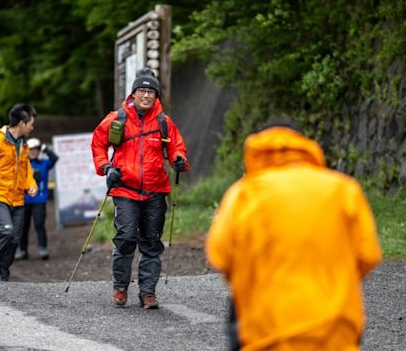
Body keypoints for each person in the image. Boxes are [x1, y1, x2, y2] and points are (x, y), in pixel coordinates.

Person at [205, 119, 383, 350]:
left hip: (267, 335)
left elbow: (220, 255)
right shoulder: (343, 189)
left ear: (256, 149)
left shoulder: (245, 192)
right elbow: (369, 255)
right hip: (336, 332)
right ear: (305, 146)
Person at [91, 68, 190, 309]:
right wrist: (106, 168)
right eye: (142, 91)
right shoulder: (118, 118)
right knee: (125, 237)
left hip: (156, 191)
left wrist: (179, 161)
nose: (146, 95)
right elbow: (98, 143)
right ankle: (120, 287)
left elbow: (177, 148)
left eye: (150, 92)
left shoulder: (163, 122)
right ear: (134, 93)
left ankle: (148, 293)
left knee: (151, 241)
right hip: (125, 189)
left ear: (156, 96)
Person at [0, 103, 38, 281]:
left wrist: (31, 184)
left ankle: (3, 271)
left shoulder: (23, 145)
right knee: (6, 232)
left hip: (18, 199)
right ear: (22, 123)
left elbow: (27, 170)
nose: (32, 127)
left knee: (15, 239)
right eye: (31, 123)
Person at [15, 137, 58, 261]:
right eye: (31, 150)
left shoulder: (44, 163)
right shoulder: (23, 163)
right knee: (23, 226)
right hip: (24, 200)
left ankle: (42, 248)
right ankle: (23, 250)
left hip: (39, 200)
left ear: (38, 151)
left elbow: (54, 159)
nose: (33, 152)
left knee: (39, 224)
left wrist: (45, 149)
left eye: (35, 149)